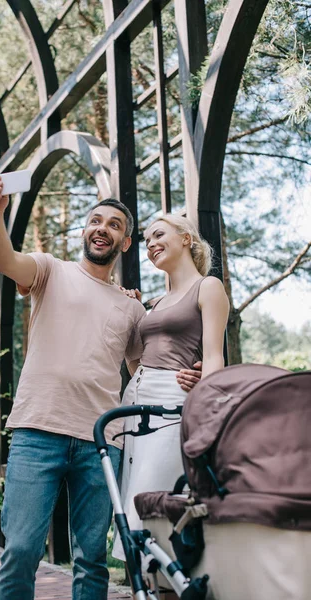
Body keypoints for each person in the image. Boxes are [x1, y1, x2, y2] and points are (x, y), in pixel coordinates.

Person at [0, 174, 201, 600]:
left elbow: (145, 366)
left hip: (101, 441)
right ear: (84, 230)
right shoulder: (49, 270)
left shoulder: (132, 306)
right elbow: (6, 260)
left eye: (115, 225)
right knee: (21, 549)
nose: (103, 228)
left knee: (91, 559)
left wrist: (191, 372)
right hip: (37, 430)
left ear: (125, 243)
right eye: (95, 220)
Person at [113, 212, 230, 560]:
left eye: (158, 235)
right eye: (147, 240)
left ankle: (170, 583)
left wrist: (203, 409)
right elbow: (136, 362)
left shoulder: (208, 286)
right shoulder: (154, 303)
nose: (150, 244)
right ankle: (146, 587)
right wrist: (131, 310)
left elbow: (213, 357)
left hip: (172, 400)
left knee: (157, 497)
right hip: (135, 399)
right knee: (136, 496)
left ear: (186, 239)